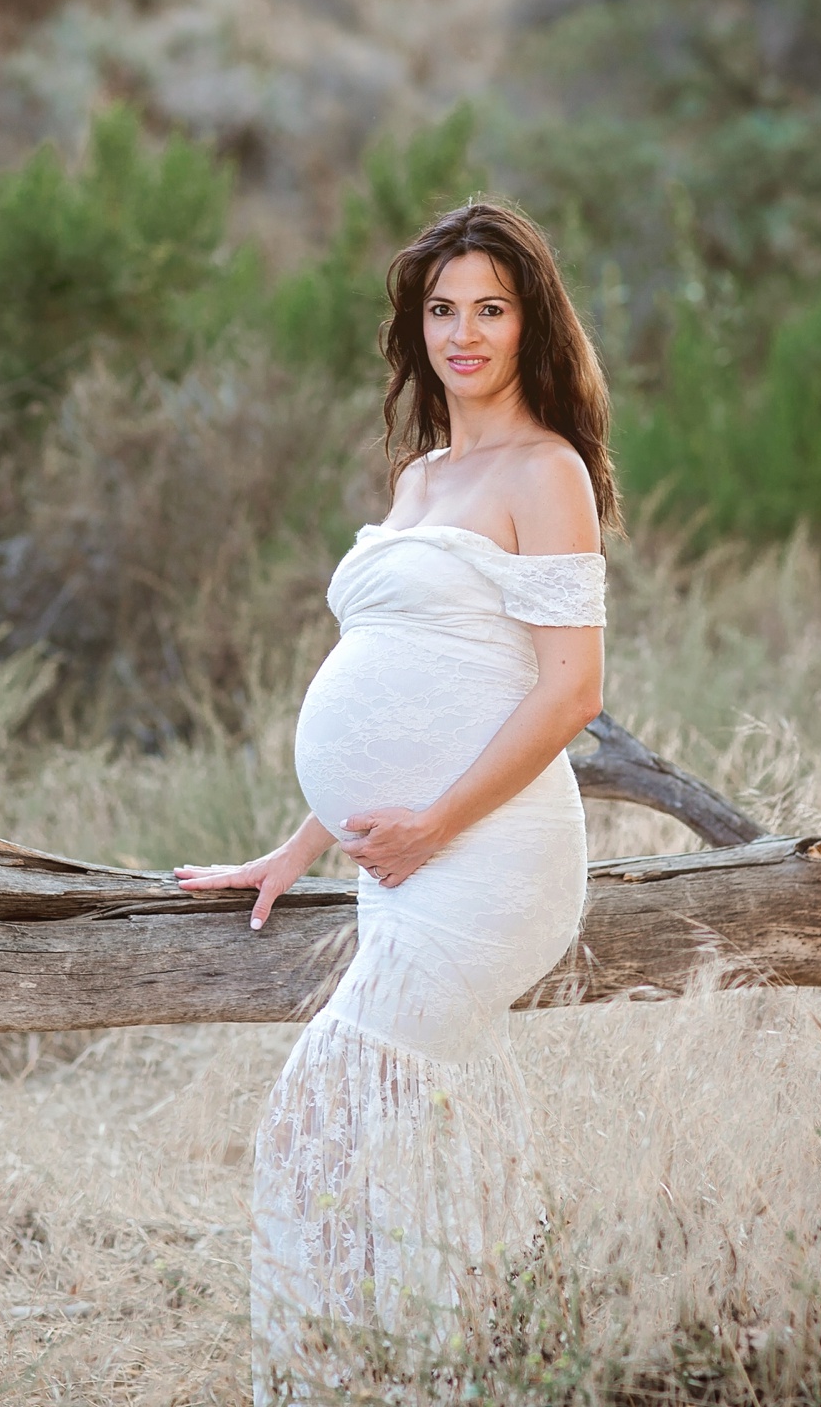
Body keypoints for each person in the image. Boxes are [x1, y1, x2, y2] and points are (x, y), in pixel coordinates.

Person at [176, 199, 619, 1394]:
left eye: (490, 308)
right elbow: (417, 687)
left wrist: (434, 822)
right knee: (427, 1151)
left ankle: (328, 1382)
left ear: (532, 324)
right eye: (441, 309)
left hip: (487, 861)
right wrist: (302, 843)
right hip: (403, 863)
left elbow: (569, 691)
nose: (462, 333)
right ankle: (449, 1374)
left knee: (313, 1122)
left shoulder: (546, 470)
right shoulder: (424, 474)